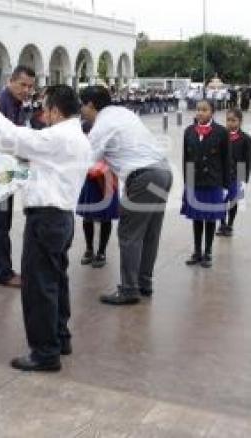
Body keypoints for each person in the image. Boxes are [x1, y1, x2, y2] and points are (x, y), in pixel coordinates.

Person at [0, 85, 91, 372]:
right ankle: (59, 337)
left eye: (46, 108)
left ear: (56, 110)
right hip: (61, 217)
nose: (44, 114)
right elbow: (36, 161)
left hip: (46, 218)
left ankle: (44, 352)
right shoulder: (76, 136)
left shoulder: (58, 135)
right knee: (56, 280)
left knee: (39, 286)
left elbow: (15, 137)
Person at [80, 86, 174, 305]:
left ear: (91, 105)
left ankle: (129, 289)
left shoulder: (102, 125)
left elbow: (86, 161)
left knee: (129, 234)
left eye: (82, 105)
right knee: (150, 233)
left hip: (144, 177)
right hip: (163, 172)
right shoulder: (123, 113)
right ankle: (144, 283)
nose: (81, 110)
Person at [0, 65, 36, 287]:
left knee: (2, 223)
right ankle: (2, 272)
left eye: (30, 87)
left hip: (4, 172)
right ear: (11, 81)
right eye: (23, 84)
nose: (27, 90)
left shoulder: (16, 104)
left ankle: (0, 267)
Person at [181, 99, 231, 268]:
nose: (200, 113)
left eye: (204, 110)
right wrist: (187, 183)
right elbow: (186, 159)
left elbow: (227, 160)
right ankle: (197, 251)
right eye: (198, 109)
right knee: (197, 218)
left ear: (212, 112)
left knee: (210, 219)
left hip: (213, 182)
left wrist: (226, 186)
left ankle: (208, 252)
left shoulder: (221, 132)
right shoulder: (189, 131)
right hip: (195, 182)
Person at [76, 121, 119, 268]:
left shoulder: (110, 131)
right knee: (88, 216)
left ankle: (101, 251)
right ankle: (89, 249)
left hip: (107, 178)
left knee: (105, 216)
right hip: (89, 179)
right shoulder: (85, 125)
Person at [217, 109, 251, 237]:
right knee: (221, 201)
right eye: (228, 120)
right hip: (221, 176)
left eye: (233, 120)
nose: (230, 123)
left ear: (240, 121)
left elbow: (247, 160)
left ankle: (230, 224)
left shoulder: (245, 138)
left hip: (236, 176)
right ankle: (222, 223)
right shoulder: (221, 136)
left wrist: (244, 179)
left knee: (233, 202)